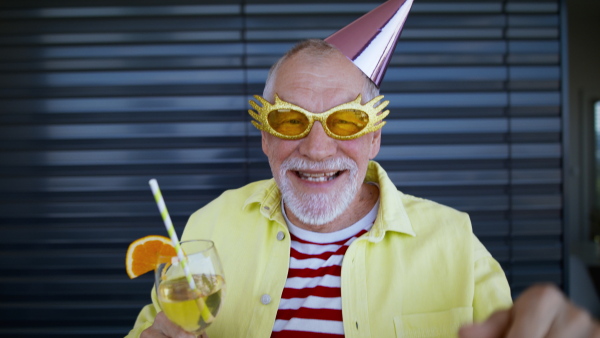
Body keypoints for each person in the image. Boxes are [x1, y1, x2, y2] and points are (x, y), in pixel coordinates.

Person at [127, 1, 600, 337]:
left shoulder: (455, 241)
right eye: (290, 121)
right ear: (266, 137)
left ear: (374, 137)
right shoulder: (207, 227)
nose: (316, 148)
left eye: (345, 121)